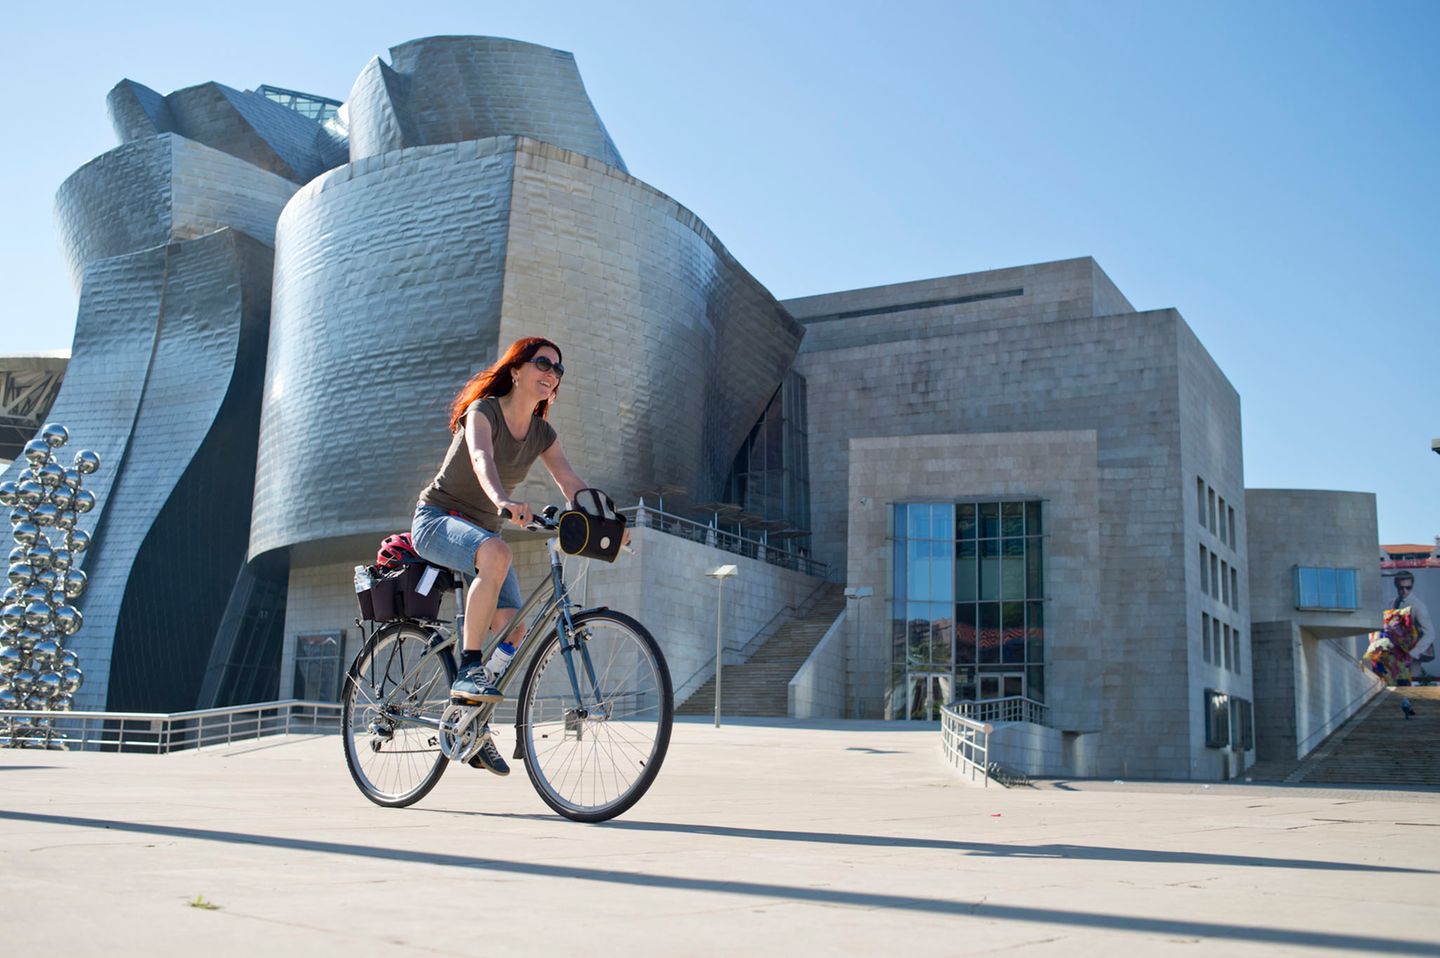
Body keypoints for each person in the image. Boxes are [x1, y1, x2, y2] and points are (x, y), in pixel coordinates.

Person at [410, 337, 597, 776]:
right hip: (437, 519)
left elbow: (570, 480)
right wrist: (502, 499)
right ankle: (468, 668)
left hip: (482, 533)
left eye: (559, 369)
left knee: (516, 629)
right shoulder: (485, 412)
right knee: (496, 552)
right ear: (516, 370)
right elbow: (480, 458)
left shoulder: (542, 434)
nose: (552, 372)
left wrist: (607, 520)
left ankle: (472, 723)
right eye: (543, 362)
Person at [1392, 572, 1434, 678]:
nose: (1404, 591)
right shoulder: (1392, 603)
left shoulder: (1418, 606)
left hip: (1411, 658)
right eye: (1401, 588)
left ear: (1412, 586)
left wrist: (1413, 653)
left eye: (1408, 587)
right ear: (1396, 585)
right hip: (1394, 656)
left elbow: (1430, 633)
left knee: (1409, 688)